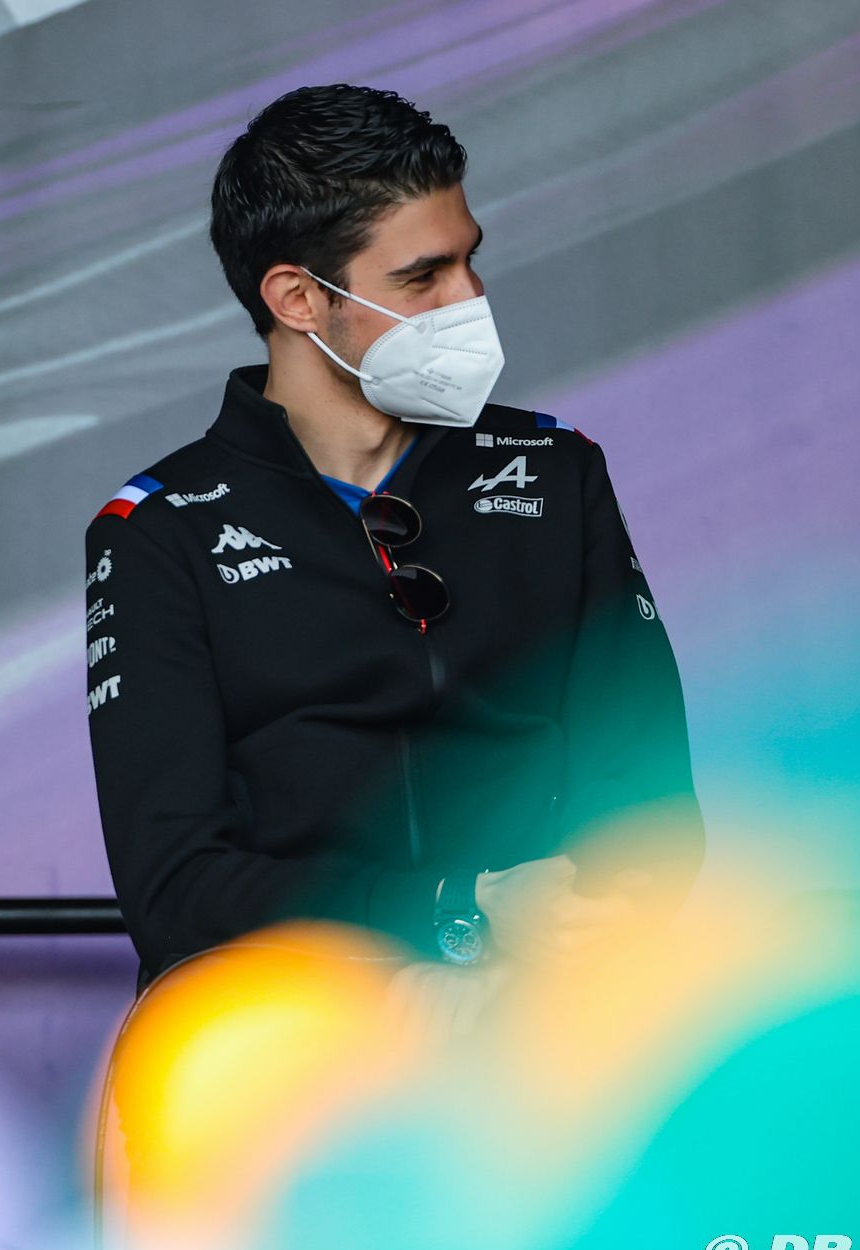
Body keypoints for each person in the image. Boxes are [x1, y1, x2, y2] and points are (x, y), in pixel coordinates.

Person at [84, 84, 702, 986]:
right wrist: (456, 909)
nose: (470, 298)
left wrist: (591, 920)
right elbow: (176, 889)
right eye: (423, 277)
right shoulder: (156, 531)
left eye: (469, 260)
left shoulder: (554, 471)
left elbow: (650, 799)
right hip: (287, 1010)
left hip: (547, 996)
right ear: (298, 298)